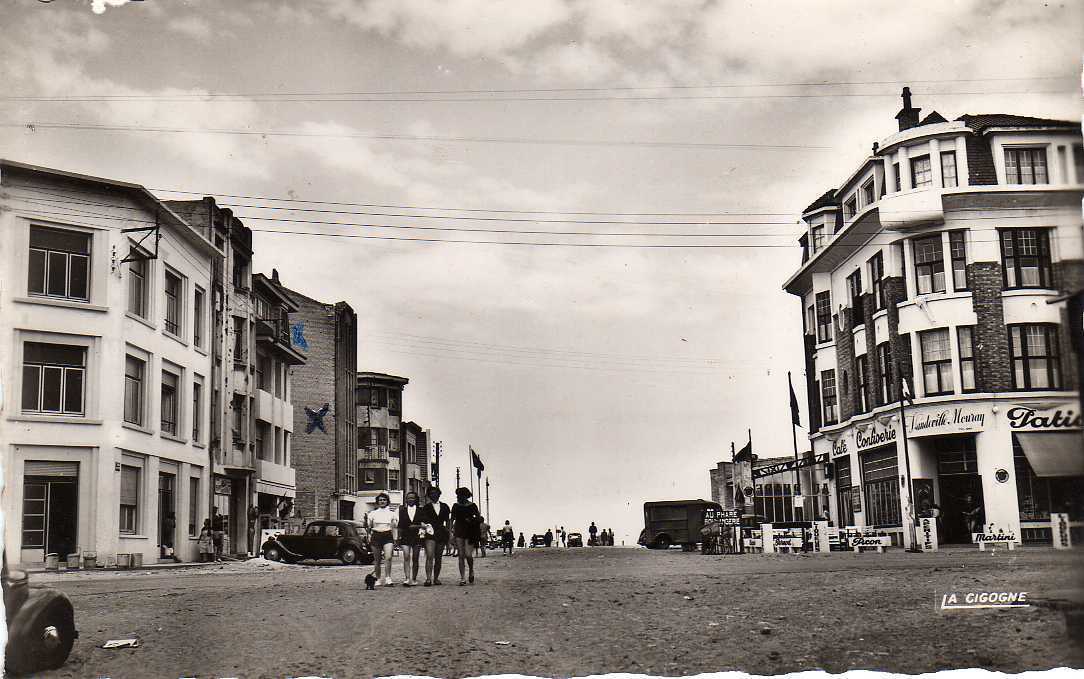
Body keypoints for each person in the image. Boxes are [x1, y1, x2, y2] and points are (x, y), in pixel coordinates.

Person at [418, 487, 451, 586]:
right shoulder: (426, 507)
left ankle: (436, 578)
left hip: (441, 533)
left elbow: (448, 521)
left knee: (438, 557)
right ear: (429, 495)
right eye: (431, 493)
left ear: (439, 494)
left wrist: (449, 533)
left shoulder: (445, 506)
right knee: (430, 555)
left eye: (435, 493)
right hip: (430, 533)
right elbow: (422, 522)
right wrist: (422, 534)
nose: (433, 495)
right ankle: (428, 579)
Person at [450, 487, 482, 585]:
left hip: (470, 531)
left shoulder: (472, 505)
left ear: (466, 496)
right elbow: (452, 519)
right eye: (458, 495)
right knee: (461, 555)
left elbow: (479, 518)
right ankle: (462, 578)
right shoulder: (455, 506)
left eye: (461, 495)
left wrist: (471, 520)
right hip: (459, 530)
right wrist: (451, 531)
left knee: (468, 554)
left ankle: (471, 570)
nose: (459, 497)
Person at [365, 493, 398, 587]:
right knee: (377, 560)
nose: (382, 501)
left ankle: (388, 578)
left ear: (387, 501)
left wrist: (395, 539)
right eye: (380, 500)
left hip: (387, 535)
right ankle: (378, 579)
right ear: (377, 502)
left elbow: (395, 528)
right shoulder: (372, 513)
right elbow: (369, 527)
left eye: (384, 500)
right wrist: (368, 537)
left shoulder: (392, 514)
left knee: (388, 557)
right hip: (376, 536)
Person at [398, 491, 424, 586]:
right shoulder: (402, 510)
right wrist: (398, 538)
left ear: (416, 499)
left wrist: (416, 527)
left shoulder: (421, 510)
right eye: (409, 498)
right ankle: (407, 578)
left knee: (415, 558)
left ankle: (414, 578)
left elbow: (424, 524)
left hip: (417, 536)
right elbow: (400, 525)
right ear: (406, 500)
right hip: (405, 536)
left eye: (413, 498)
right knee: (406, 556)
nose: (410, 499)